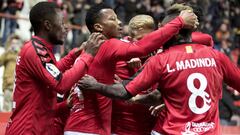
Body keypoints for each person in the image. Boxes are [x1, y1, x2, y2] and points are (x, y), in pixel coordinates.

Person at [78, 3, 240, 135]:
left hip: (169, 130)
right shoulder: (215, 56)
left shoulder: (160, 60)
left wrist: (95, 85)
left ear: (174, 32)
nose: (159, 34)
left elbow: (123, 91)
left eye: (162, 29)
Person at [64, 3, 198, 135]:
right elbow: (141, 48)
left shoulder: (90, 49)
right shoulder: (110, 46)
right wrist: (179, 22)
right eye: (113, 19)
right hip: (93, 129)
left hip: (83, 126)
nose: (120, 22)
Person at [5, 2, 105, 135]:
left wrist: (75, 54)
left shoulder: (39, 48)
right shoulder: (34, 50)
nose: (66, 27)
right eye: (62, 23)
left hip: (35, 127)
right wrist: (87, 55)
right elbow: (60, 83)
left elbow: (55, 70)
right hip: (27, 130)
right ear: (47, 25)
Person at [112, 14, 157, 135]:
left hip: (151, 127)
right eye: (140, 39)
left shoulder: (159, 54)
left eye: (149, 39)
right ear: (130, 39)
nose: (145, 44)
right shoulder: (118, 56)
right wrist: (129, 54)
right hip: (123, 129)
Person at [0, 34, 22, 112]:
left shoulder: (22, 54)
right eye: (13, 43)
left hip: (18, 86)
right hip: (8, 84)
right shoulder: (7, 53)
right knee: (6, 108)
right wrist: (7, 52)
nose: (14, 45)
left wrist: (19, 52)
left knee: (16, 110)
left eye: (16, 43)